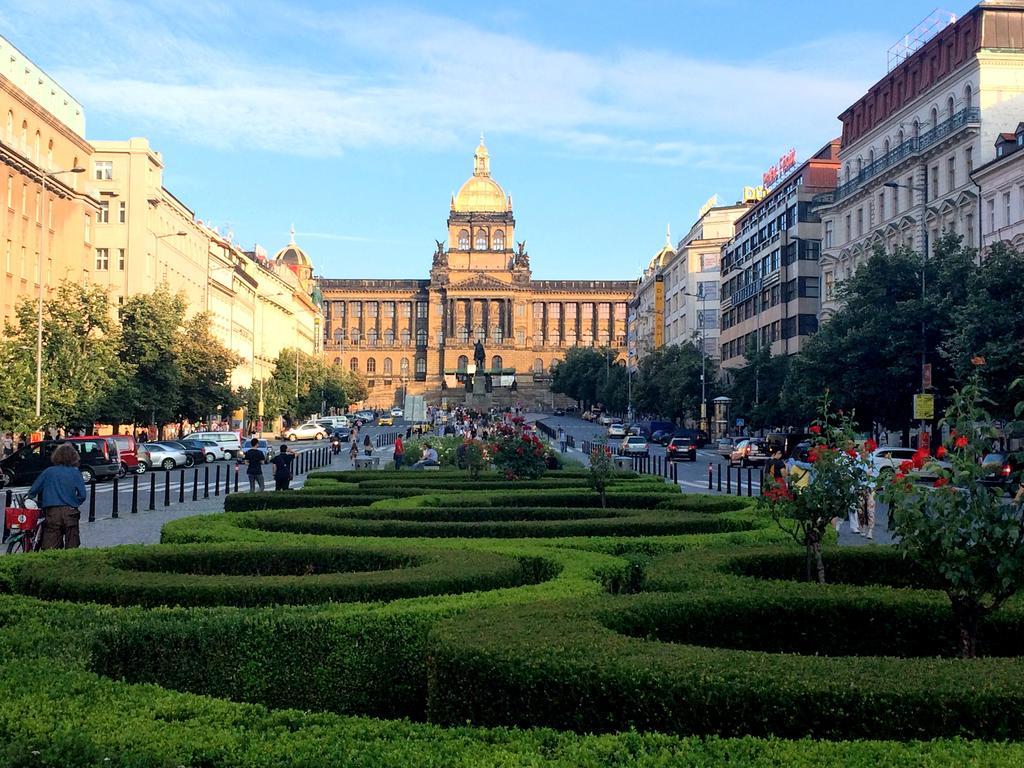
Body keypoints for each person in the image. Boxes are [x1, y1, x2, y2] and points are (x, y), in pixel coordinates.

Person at [26, 443, 87, 549]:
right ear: (74, 457)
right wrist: (73, 502)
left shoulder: (48, 472)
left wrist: (32, 501)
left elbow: (33, 491)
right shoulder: (75, 472)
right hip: (70, 512)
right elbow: (82, 495)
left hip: (52, 512)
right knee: (72, 546)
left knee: (51, 546)